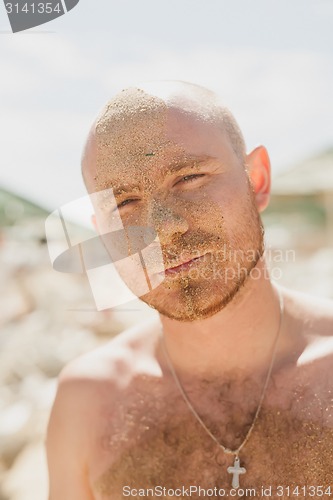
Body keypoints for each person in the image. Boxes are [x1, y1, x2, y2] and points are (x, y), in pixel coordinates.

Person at [46, 81, 333, 500]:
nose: (162, 228)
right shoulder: (88, 403)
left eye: (189, 177)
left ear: (257, 180)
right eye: (123, 204)